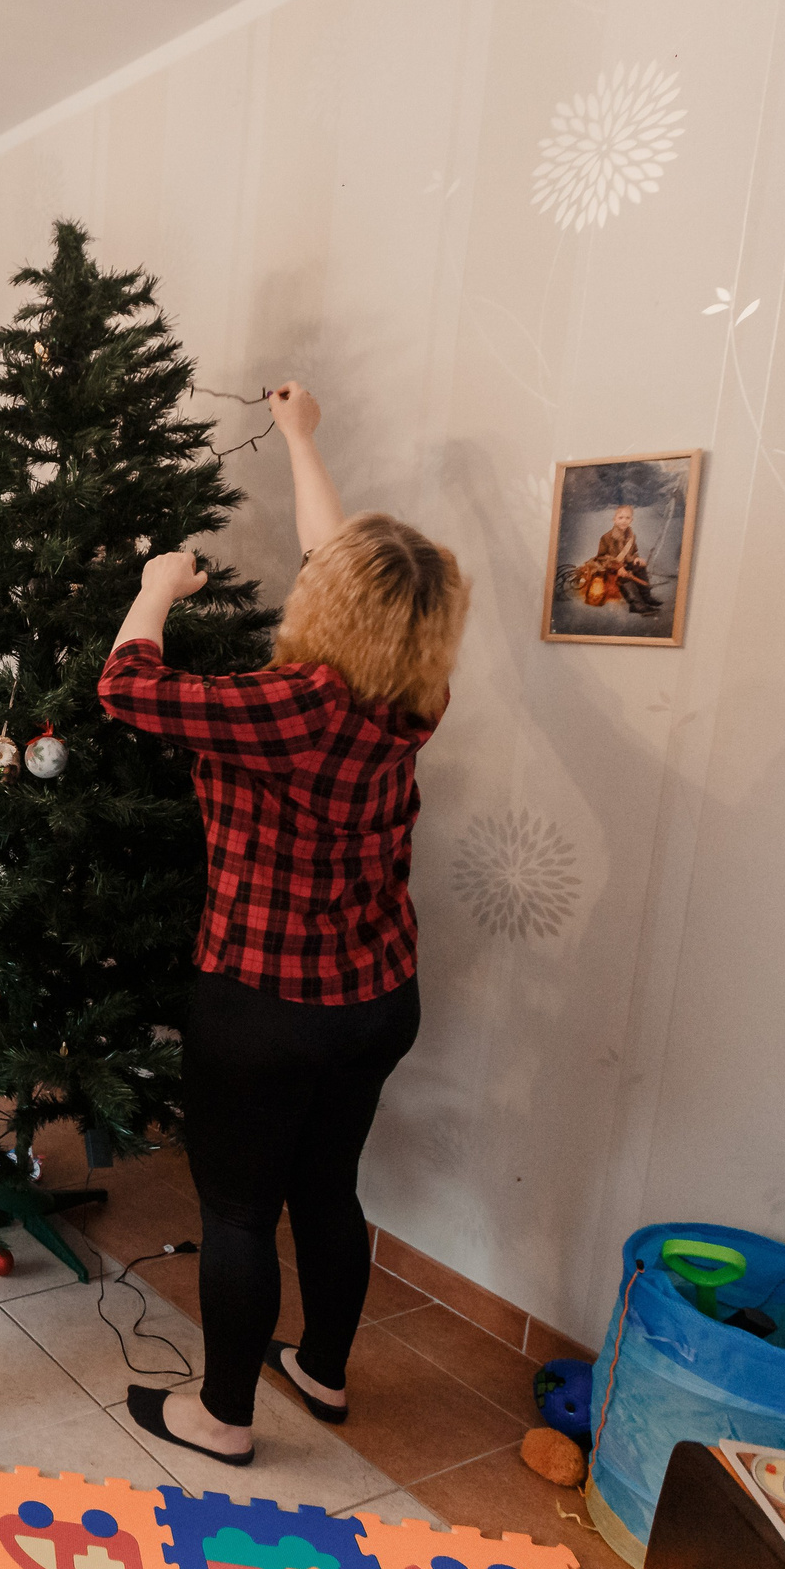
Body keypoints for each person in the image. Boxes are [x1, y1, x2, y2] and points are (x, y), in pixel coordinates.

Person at [98, 382, 469, 1467]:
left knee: (238, 1212)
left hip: (264, 1004)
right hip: (376, 999)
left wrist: (153, 588)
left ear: (334, 613)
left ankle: (219, 1417)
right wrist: (302, 438)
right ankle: (323, 1370)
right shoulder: (415, 698)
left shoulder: (292, 703)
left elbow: (127, 687)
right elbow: (336, 559)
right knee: (329, 1188)